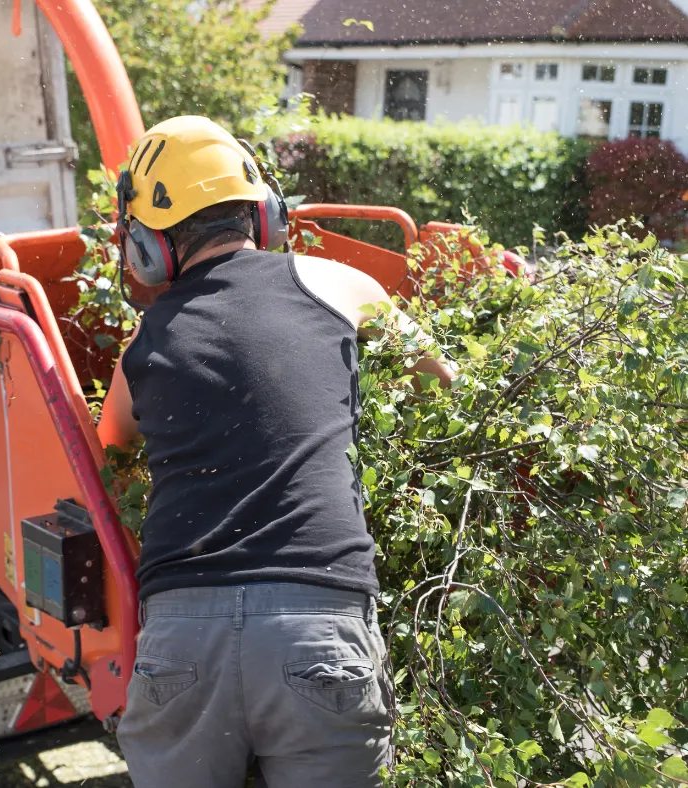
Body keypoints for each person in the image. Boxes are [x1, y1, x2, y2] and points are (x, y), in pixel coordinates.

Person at [97, 116, 457, 788]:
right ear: (265, 216)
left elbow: (111, 446)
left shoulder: (144, 345)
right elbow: (441, 377)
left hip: (184, 640)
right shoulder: (338, 286)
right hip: (317, 630)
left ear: (147, 245)